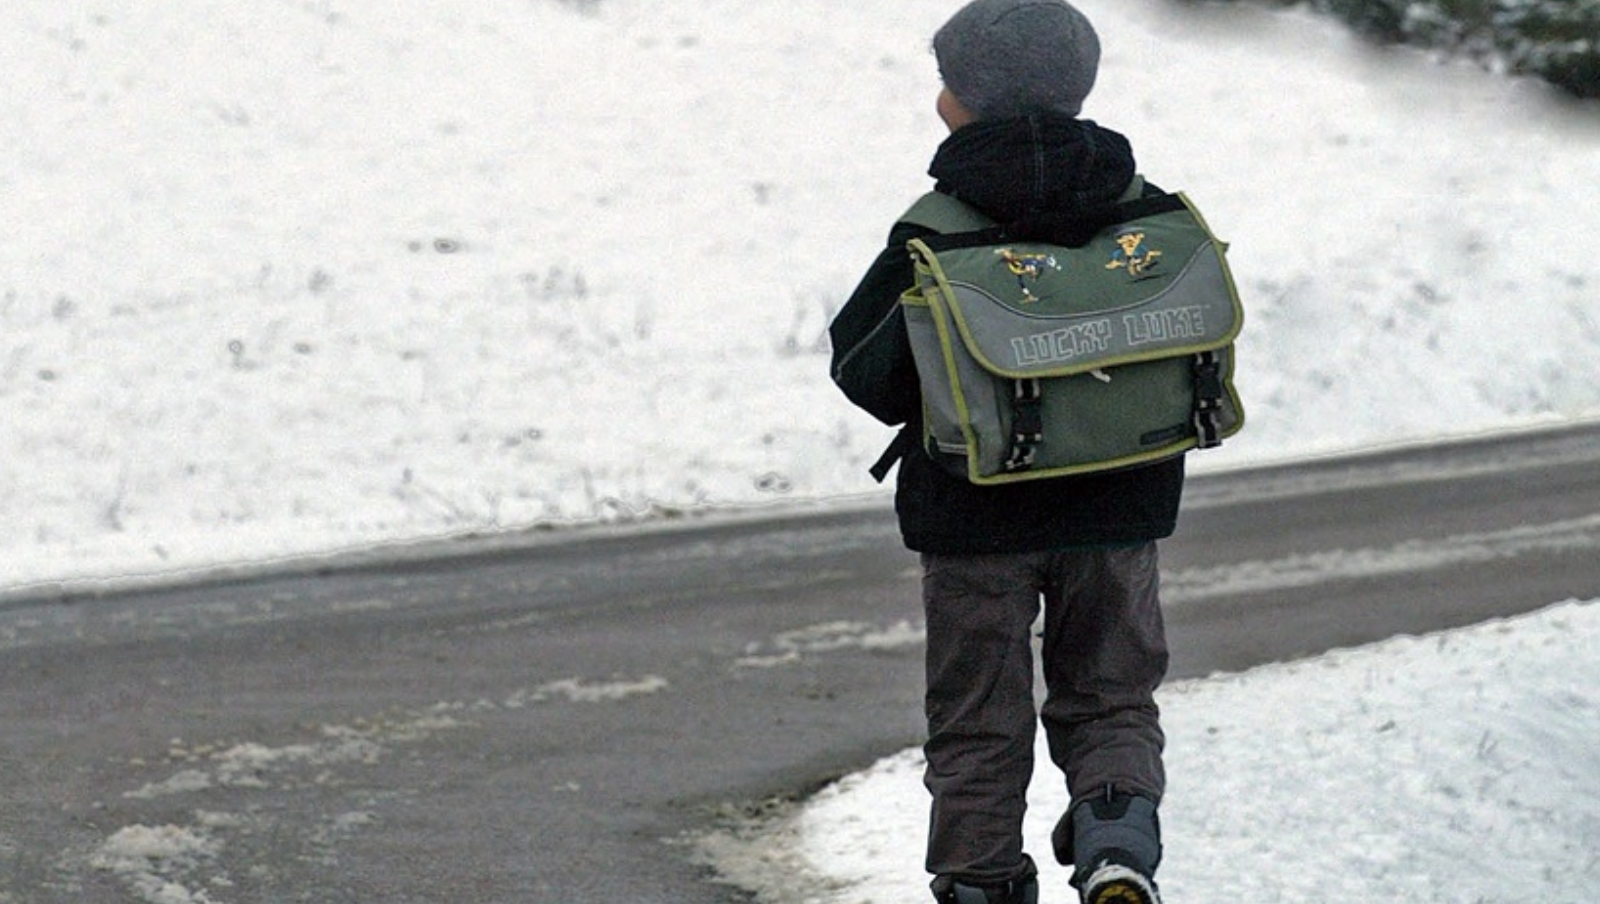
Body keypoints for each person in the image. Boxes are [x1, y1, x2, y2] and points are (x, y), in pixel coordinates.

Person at [828, 2, 1181, 903]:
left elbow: (864, 370)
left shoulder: (936, 224)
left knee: (977, 718)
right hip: (1118, 505)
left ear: (961, 101)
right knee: (1111, 695)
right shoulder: (1146, 210)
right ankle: (1116, 841)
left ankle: (981, 883)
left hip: (973, 513)